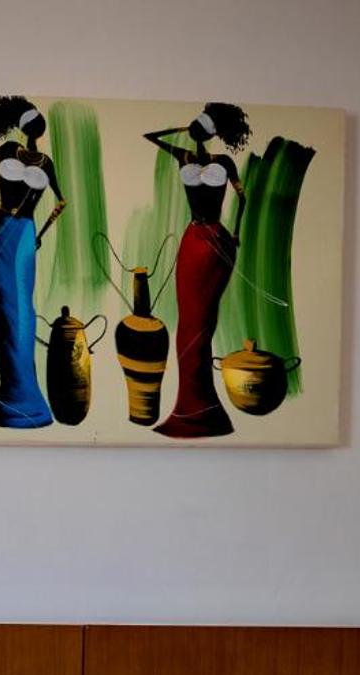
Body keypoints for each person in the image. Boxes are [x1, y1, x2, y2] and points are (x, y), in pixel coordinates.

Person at [143, 102, 249, 437]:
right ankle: (196, 408)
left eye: (199, 129)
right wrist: (182, 129)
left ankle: (200, 413)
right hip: (194, 239)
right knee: (189, 324)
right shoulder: (184, 156)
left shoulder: (222, 161)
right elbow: (150, 136)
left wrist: (236, 233)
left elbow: (242, 198)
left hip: (215, 239)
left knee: (200, 325)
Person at [0, 96, 66, 428]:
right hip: (9, 233)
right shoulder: (15, 151)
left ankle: (18, 398)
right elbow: (61, 203)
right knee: (14, 310)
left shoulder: (36, 158)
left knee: (19, 311)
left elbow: (60, 202)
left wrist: (37, 233)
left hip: (19, 234)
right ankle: (16, 399)